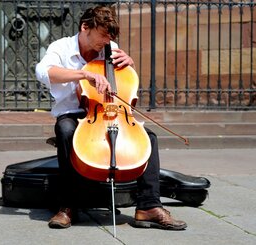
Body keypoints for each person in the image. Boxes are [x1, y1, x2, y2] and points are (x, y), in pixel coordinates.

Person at [36, 5, 187, 230]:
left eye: (109, 38)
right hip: (73, 113)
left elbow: (125, 84)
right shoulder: (61, 47)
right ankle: (67, 206)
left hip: (109, 112)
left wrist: (130, 65)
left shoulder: (110, 47)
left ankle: (148, 206)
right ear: (85, 27)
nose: (105, 44)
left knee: (149, 138)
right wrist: (85, 74)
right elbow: (43, 72)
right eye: (101, 37)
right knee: (66, 131)